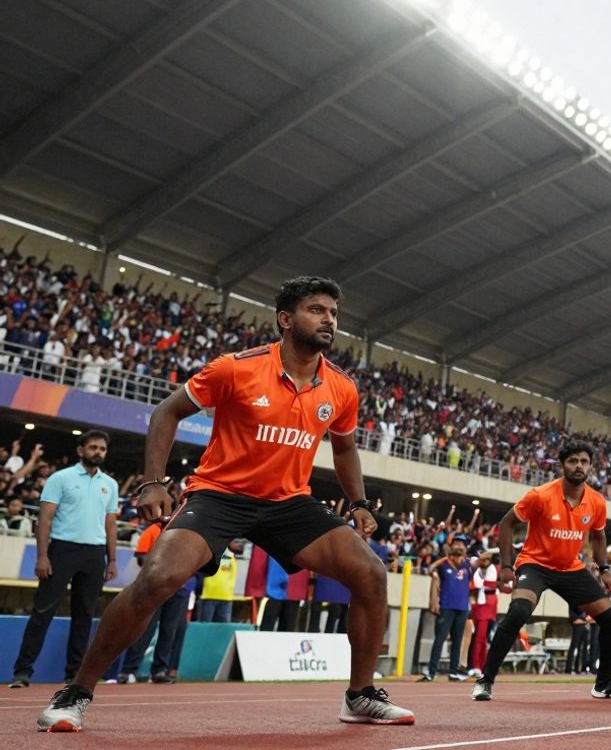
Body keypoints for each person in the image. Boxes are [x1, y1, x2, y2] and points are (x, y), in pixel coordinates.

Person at [36, 276, 414, 731]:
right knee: (158, 577)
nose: (329, 319)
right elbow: (166, 412)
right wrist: (154, 482)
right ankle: (76, 693)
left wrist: (359, 502)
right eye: (317, 310)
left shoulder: (341, 388)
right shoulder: (235, 368)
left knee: (370, 573)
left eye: (333, 312)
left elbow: (345, 448)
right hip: (220, 494)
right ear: (285, 319)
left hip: (289, 502)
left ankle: (359, 696)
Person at [470, 442, 611, 701]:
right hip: (535, 564)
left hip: (571, 567)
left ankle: (604, 684)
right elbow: (507, 523)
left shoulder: (596, 501)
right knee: (519, 612)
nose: (578, 466)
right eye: (572, 461)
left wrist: (604, 569)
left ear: (590, 466)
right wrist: (506, 566)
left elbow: (599, 537)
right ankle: (485, 680)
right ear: (562, 465)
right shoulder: (540, 495)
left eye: (583, 461)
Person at [10, 431, 118, 689]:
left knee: (84, 617)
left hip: (94, 553)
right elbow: (44, 520)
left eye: (102, 448)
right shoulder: (61, 478)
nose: (98, 452)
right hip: (62, 550)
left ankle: (74, 675)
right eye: (93, 447)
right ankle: (22, 672)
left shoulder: (110, 485)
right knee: (42, 612)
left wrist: (111, 559)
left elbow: (111, 524)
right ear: (80, 450)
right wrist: (42, 556)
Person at [115, 521, 192, 684]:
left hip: (178, 590)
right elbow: (141, 556)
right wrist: (163, 571)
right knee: (144, 629)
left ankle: (159, 671)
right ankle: (129, 670)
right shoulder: (153, 530)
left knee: (168, 631)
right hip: (155, 588)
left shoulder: (188, 533)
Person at [422, 537, 473, 682]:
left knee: (457, 641)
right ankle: (432, 672)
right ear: (451, 547)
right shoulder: (444, 564)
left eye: (462, 544)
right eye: (456, 544)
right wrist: (444, 557)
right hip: (446, 607)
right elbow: (429, 570)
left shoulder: (467, 565)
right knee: (439, 639)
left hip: (462, 608)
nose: (459, 546)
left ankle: (453, 672)